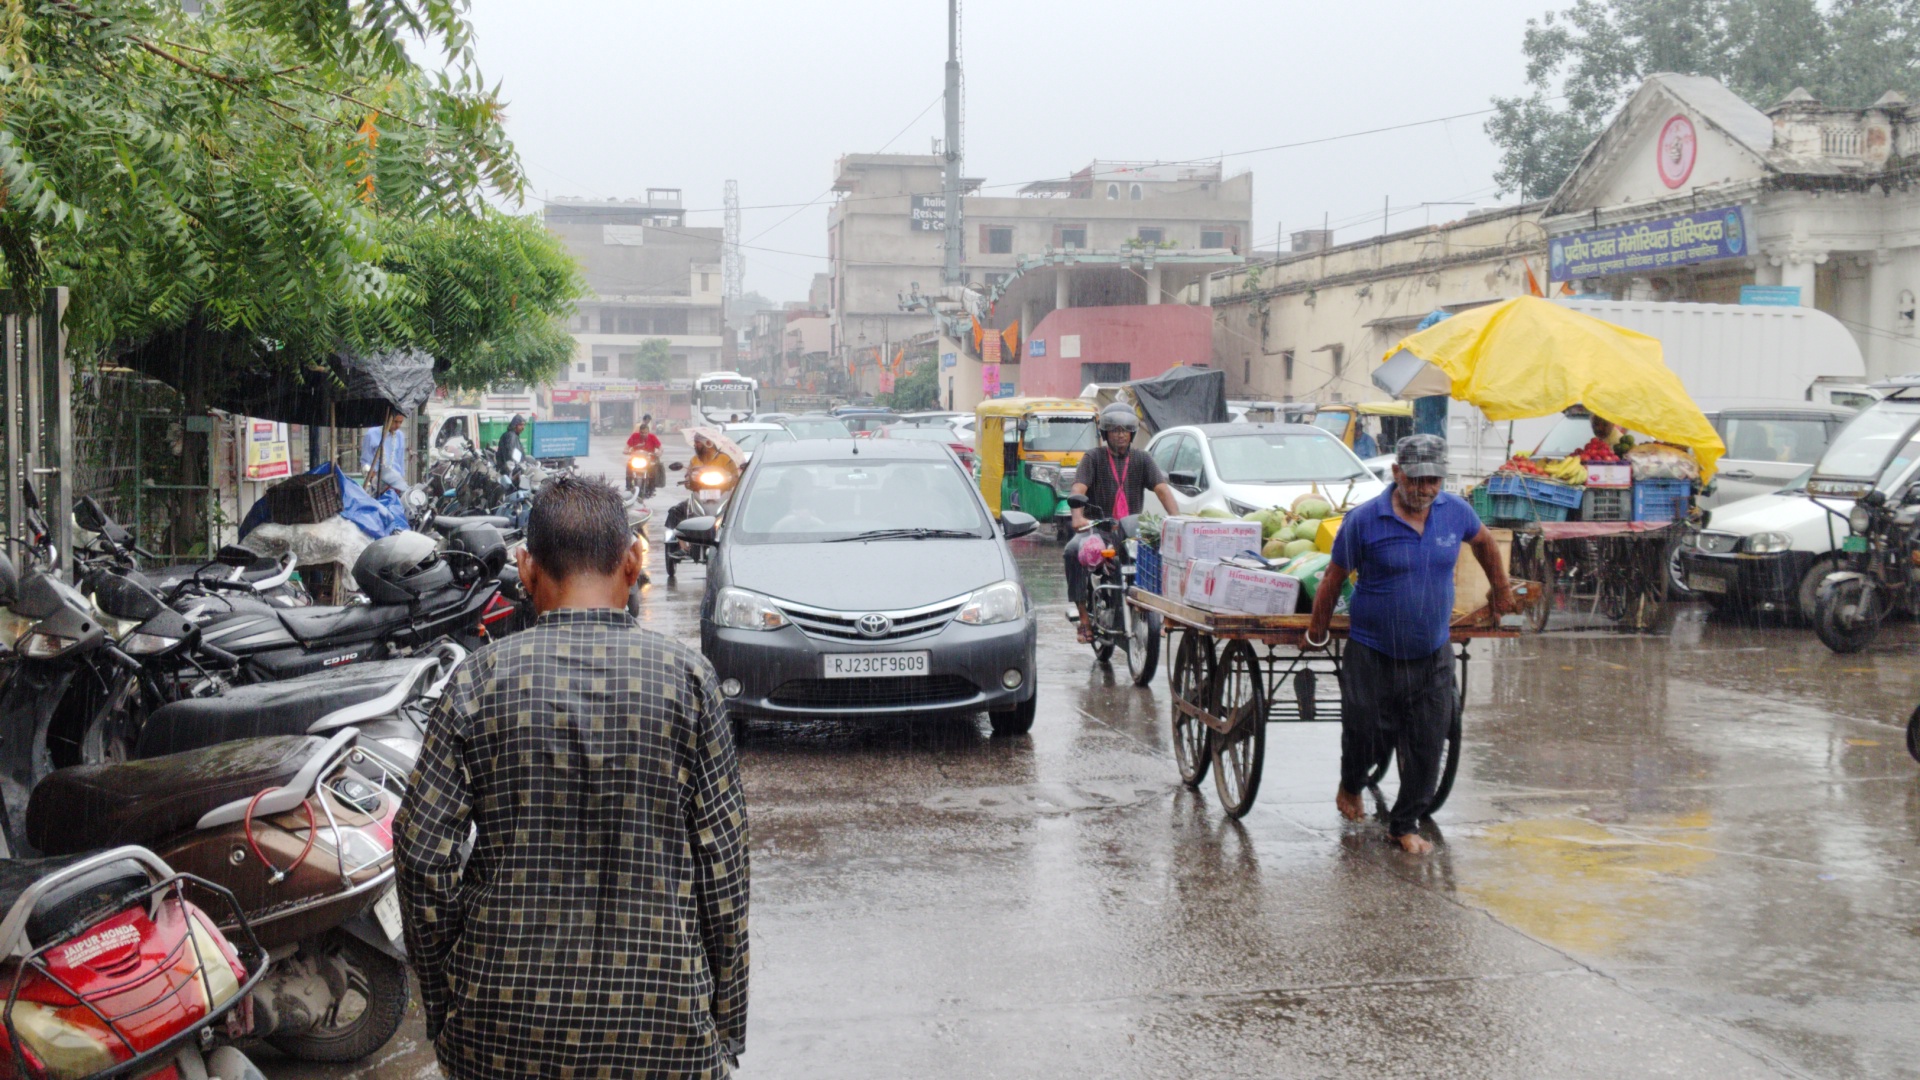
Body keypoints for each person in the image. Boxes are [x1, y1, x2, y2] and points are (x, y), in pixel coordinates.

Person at [395, 475, 748, 1079]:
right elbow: (726, 868)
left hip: (501, 1028)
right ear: (634, 562)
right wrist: (726, 1022)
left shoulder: (479, 682)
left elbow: (423, 858)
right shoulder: (689, 682)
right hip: (663, 1023)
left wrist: (445, 1003)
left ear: (527, 568)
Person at [1306, 434, 1515, 854]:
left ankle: (1404, 825)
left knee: (1427, 740)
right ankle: (1351, 785)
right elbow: (1333, 577)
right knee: (1365, 735)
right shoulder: (1364, 520)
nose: (1426, 489)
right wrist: (1317, 629)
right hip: (1373, 650)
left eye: (1434, 479)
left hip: (1432, 651)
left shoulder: (1455, 512)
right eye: (1417, 479)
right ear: (1396, 473)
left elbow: (1485, 544)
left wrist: (1502, 589)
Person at [1064, 404, 1180, 645]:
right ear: (1105, 433)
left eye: (1126, 430)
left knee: (1161, 559)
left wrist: (1178, 520)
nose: (1120, 434)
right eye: (1114, 430)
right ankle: (1084, 619)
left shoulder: (1143, 459)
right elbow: (1079, 488)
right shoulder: (1093, 458)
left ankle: (1160, 616)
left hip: (1130, 533)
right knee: (1073, 551)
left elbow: (1161, 489)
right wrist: (1077, 516)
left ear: (1132, 434)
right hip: (1098, 530)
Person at [359, 410, 409, 494]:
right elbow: (365, 462)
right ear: (387, 419)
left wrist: (400, 481)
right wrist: (374, 479)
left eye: (401, 422)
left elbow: (400, 462)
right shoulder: (371, 434)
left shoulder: (400, 436)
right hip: (377, 484)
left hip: (396, 484)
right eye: (395, 422)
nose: (398, 425)